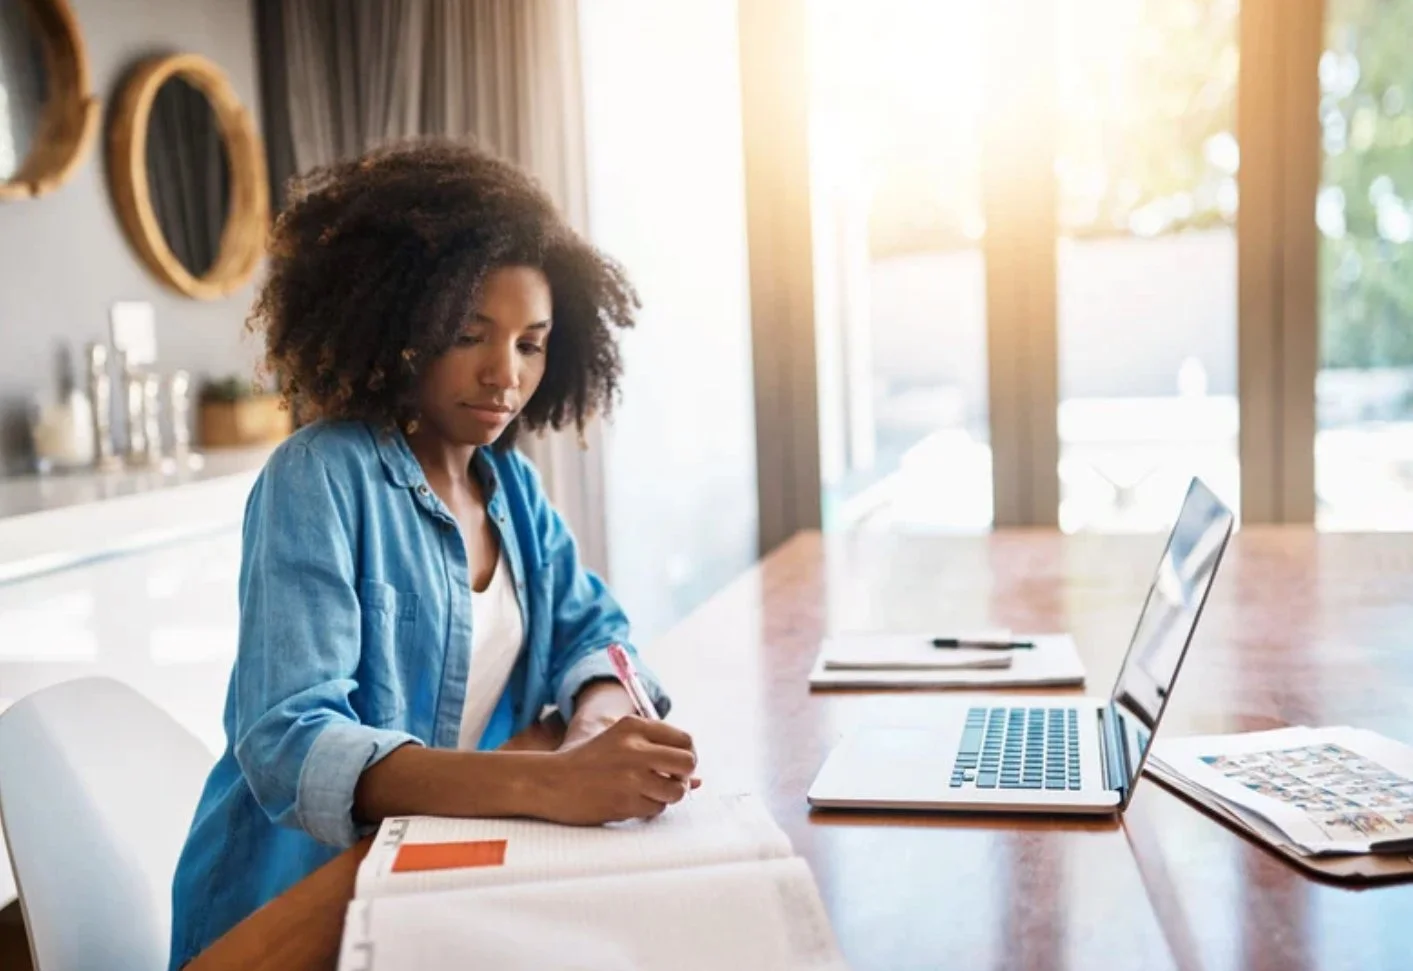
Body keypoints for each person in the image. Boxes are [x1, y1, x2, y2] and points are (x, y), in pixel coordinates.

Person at [168, 140, 697, 969]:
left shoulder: (510, 486)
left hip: (427, 877)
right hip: (287, 909)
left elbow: (593, 627)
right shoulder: (319, 477)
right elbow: (289, 740)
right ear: (400, 325)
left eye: (532, 342)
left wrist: (598, 717)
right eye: (469, 333)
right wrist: (551, 783)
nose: (504, 375)